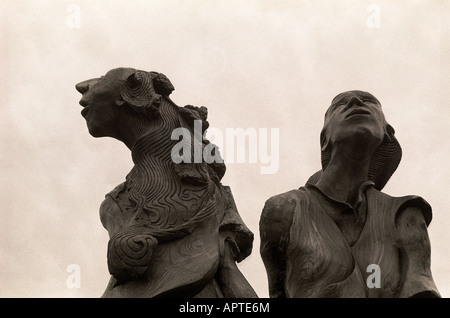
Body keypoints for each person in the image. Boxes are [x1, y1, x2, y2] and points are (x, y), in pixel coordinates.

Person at [76, 67, 257, 297]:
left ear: (127, 97)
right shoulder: (114, 206)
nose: (83, 86)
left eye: (102, 79)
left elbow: (228, 274)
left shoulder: (208, 190)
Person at [260, 90, 441, 298]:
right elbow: (276, 293)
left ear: (387, 133)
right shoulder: (283, 210)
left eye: (369, 101)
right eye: (340, 104)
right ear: (324, 139)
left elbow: (421, 291)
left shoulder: (405, 216)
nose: (355, 102)